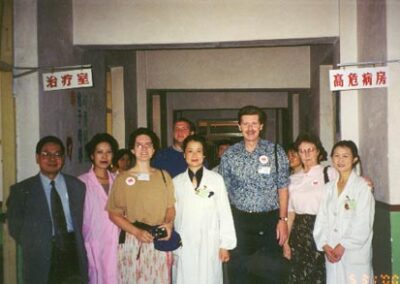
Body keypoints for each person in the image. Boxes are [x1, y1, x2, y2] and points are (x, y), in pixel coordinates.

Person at [219, 105, 290, 283]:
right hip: (240, 222)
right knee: (240, 273)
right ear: (239, 126)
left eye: (254, 124)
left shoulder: (275, 151)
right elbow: (222, 192)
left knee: (270, 273)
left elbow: (283, 188)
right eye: (246, 124)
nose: (250, 128)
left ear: (261, 126)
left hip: (269, 221)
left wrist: (283, 220)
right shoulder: (230, 155)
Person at [7, 136, 88, 284]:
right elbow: (14, 227)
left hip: (72, 252)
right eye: (46, 154)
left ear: (63, 158)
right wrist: (35, 243)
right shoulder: (21, 190)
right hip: (40, 254)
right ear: (37, 158)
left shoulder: (77, 186)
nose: (52, 159)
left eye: (57, 154)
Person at [107, 128, 176, 284]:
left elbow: (170, 207)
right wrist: (136, 232)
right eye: (139, 145)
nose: (144, 149)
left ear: (154, 149)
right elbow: (113, 213)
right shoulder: (123, 178)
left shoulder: (164, 176)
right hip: (132, 240)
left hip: (159, 239)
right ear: (132, 149)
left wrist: (169, 224)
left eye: (148, 145)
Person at [173, 135, 237, 284]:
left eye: (198, 151)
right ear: (184, 155)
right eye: (190, 151)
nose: (194, 155)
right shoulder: (176, 182)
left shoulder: (216, 180)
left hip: (210, 242)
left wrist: (225, 245)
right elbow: (172, 214)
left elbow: (225, 213)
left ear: (204, 154)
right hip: (185, 242)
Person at [313, 140, 374, 284]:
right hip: (332, 251)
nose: (340, 160)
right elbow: (322, 218)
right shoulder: (328, 188)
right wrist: (325, 244)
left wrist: (343, 245)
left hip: (354, 252)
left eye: (345, 156)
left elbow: (363, 222)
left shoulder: (362, 187)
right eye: (336, 156)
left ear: (354, 159)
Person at [284, 133, 336, 283]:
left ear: (318, 151)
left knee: (321, 274)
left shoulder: (329, 173)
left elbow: (349, 187)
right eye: (302, 150)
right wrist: (286, 243)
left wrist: (365, 182)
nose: (306, 154)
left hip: (323, 230)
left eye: (310, 150)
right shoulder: (292, 179)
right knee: (299, 275)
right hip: (300, 233)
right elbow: (290, 214)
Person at [79, 133, 120, 284]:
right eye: (99, 152)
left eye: (108, 152)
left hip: (116, 239)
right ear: (92, 155)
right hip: (94, 240)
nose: (104, 156)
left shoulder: (118, 180)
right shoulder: (82, 182)